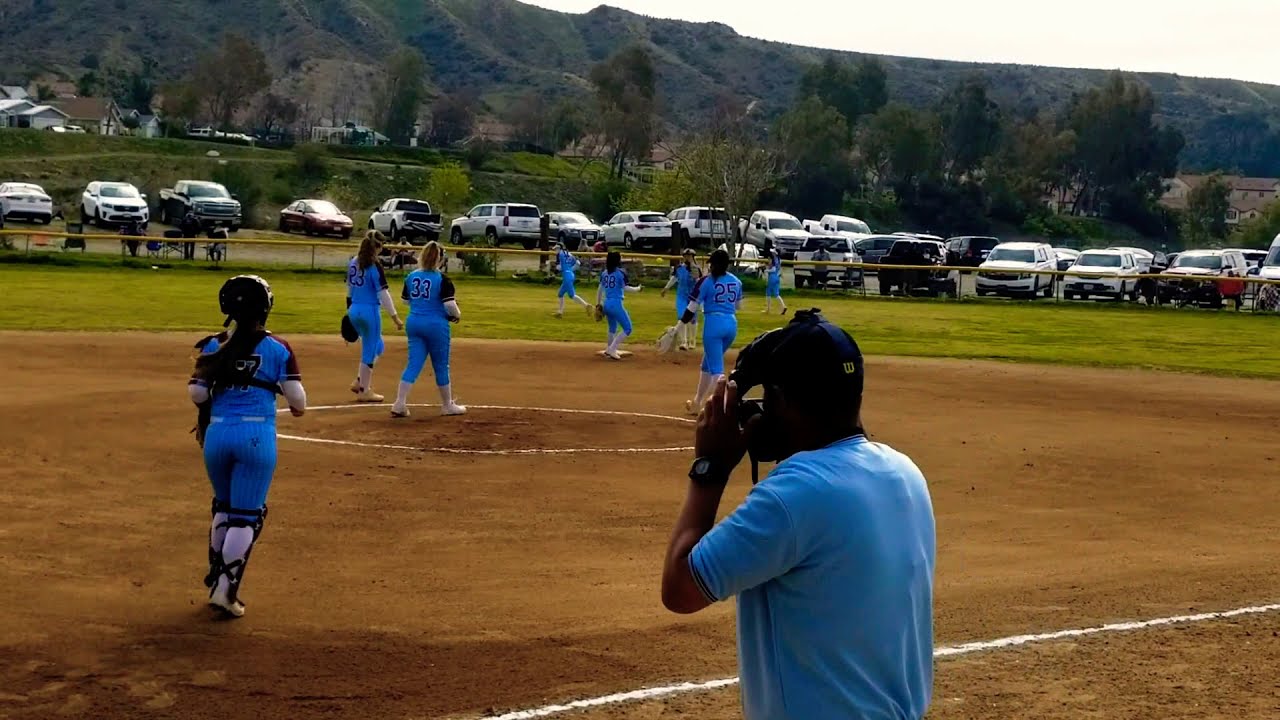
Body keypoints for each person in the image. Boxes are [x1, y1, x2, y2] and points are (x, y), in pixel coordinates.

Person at [661, 310, 936, 720]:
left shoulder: (796, 493)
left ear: (782, 402)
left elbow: (680, 589)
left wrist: (710, 468)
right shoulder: (904, 473)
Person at [188, 275, 307, 618]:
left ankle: (217, 579)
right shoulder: (277, 347)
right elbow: (298, 401)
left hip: (217, 435)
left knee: (223, 508)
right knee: (246, 515)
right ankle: (225, 591)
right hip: (256, 437)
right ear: (266, 307)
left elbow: (197, 393)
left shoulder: (214, 344)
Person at [391, 241, 466, 418]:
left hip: (414, 322)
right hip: (436, 325)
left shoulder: (412, 276)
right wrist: (457, 315)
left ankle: (399, 403)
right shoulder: (442, 279)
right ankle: (447, 405)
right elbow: (450, 305)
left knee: (413, 363)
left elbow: (405, 301)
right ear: (440, 258)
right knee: (440, 365)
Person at [674, 249, 741, 413]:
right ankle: (697, 403)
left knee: (717, 371)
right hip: (731, 324)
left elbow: (691, 308)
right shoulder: (736, 281)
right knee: (707, 364)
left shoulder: (706, 281)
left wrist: (678, 327)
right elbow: (738, 306)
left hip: (713, 324)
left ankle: (725, 409)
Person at [346, 231, 404, 402]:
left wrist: (349, 314)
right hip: (369, 311)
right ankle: (364, 390)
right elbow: (383, 294)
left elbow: (349, 290)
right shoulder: (374, 265)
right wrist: (395, 317)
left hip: (354, 309)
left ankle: (359, 381)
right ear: (377, 246)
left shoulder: (353, 262)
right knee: (370, 351)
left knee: (378, 346)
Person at [596, 250, 642, 360]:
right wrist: (637, 289)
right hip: (616, 303)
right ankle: (612, 349)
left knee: (612, 327)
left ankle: (609, 348)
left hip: (606, 303)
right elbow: (625, 287)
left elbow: (599, 290)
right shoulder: (620, 273)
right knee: (628, 328)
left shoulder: (604, 273)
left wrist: (598, 304)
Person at [662, 248, 702, 351]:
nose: (687, 258)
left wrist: (695, 274)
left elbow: (699, 283)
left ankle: (692, 341)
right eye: (686, 256)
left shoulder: (696, 269)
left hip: (693, 297)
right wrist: (666, 288)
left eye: (690, 256)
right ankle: (683, 342)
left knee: (692, 320)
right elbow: (674, 278)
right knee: (681, 317)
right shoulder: (679, 268)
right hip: (681, 296)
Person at [555, 240, 593, 318]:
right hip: (570, 274)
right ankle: (560, 312)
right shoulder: (569, 254)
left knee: (572, 295)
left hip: (566, 276)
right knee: (560, 294)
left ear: (560, 248)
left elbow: (560, 266)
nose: (555, 250)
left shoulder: (561, 254)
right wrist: (571, 269)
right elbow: (578, 263)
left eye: (556, 249)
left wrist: (559, 268)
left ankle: (587, 305)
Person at [763, 239, 787, 315]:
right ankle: (783, 306)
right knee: (776, 294)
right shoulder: (779, 260)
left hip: (772, 277)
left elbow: (773, 269)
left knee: (768, 293)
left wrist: (766, 270)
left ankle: (768, 309)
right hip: (777, 277)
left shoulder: (774, 260)